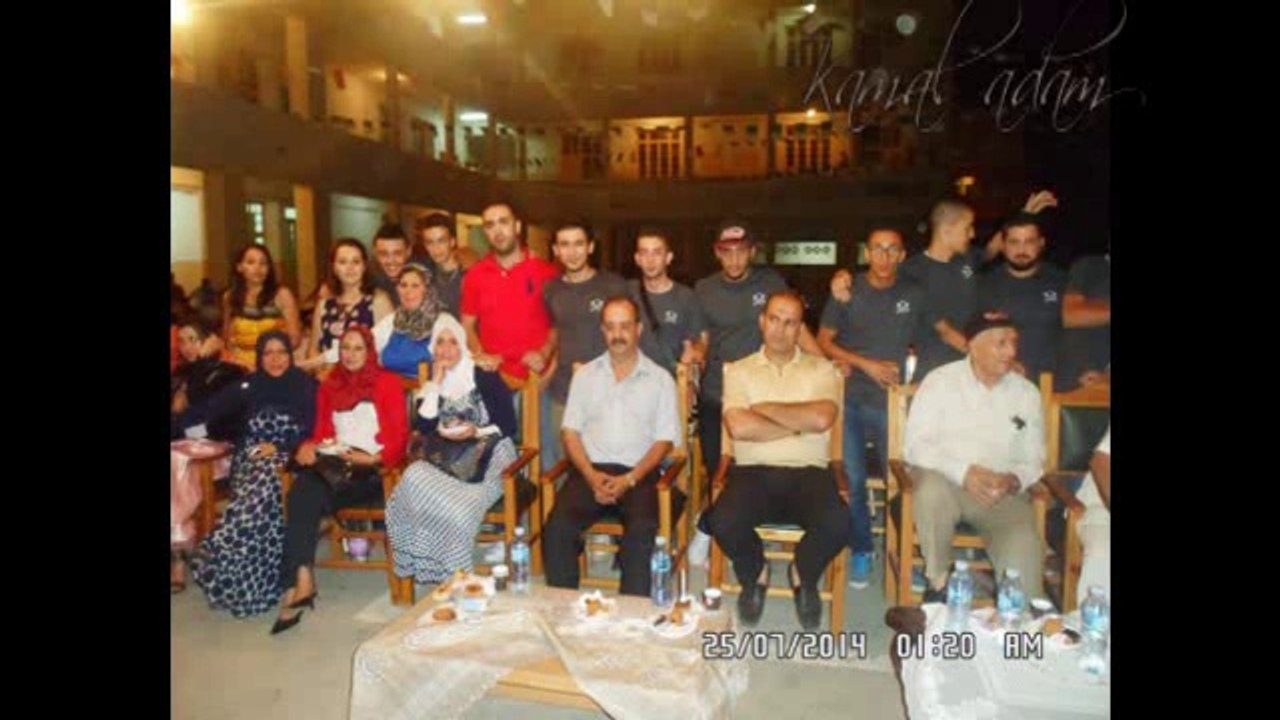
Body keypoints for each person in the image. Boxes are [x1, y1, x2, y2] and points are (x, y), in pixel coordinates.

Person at [708, 291, 850, 629]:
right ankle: (754, 571)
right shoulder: (739, 371)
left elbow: (821, 419)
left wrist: (763, 409)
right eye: (774, 319)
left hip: (809, 474)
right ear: (762, 321)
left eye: (790, 322)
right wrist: (797, 427)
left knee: (841, 522)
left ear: (800, 328)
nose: (781, 329)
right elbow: (739, 427)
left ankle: (803, 571)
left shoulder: (822, 370)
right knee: (723, 520)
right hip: (752, 473)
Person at [903, 311, 1046, 602]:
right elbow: (915, 446)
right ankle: (938, 582)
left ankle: (1019, 621)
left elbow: (1034, 459)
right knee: (929, 490)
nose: (1012, 352)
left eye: (1014, 343)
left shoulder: (1026, 393)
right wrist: (964, 472)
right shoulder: (940, 381)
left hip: (1000, 493)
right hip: (948, 483)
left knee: (1025, 552)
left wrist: (1013, 479)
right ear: (974, 345)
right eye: (1001, 343)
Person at [542, 297, 681, 596]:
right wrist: (591, 475)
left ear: (639, 329)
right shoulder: (585, 376)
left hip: (639, 473)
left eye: (625, 327)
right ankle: (562, 609)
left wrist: (630, 479)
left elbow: (665, 440)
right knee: (557, 530)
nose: (618, 335)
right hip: (591, 471)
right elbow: (570, 432)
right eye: (611, 327)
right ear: (603, 330)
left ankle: (632, 615)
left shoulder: (660, 380)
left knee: (642, 533)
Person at [275, 325, 408, 635]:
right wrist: (311, 445)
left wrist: (374, 458)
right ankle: (303, 576)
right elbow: (323, 432)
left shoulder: (386, 382)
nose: (350, 355)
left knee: (306, 492)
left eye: (358, 348)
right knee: (301, 492)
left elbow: (400, 436)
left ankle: (296, 581)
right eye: (345, 348)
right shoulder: (329, 383)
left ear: (369, 350)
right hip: (336, 465)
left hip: (372, 471)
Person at [174, 331, 316, 615]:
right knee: (260, 482)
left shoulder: (306, 386)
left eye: (281, 352)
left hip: (288, 458)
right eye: (268, 353)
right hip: (251, 456)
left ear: (291, 354)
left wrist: (280, 447)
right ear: (259, 357)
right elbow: (206, 414)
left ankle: (224, 546)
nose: (275, 359)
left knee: (262, 486)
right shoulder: (248, 386)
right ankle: (233, 557)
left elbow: (311, 430)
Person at [385, 313, 521, 584]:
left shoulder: (483, 374)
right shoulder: (434, 381)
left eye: (452, 342)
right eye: (439, 343)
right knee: (411, 477)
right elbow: (422, 427)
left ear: (462, 345)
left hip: (490, 454)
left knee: (458, 511)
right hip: (448, 457)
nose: (446, 349)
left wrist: (477, 431)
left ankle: (456, 574)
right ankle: (429, 566)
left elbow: (509, 425)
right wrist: (435, 380)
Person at [221, 245, 302, 370]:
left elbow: (295, 339)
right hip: (240, 365)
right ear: (239, 267)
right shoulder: (230, 297)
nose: (258, 268)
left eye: (263, 263)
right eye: (251, 262)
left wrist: (271, 359)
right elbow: (227, 338)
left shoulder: (281, 295)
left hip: (275, 365)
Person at [372, 264, 441, 379]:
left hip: (429, 392)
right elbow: (365, 344)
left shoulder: (442, 321)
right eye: (403, 285)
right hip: (390, 389)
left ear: (427, 289)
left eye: (415, 286)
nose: (408, 291)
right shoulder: (392, 320)